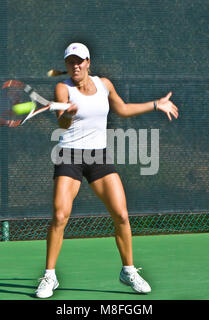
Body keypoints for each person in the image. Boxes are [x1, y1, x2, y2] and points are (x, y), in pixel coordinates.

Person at [34, 43, 179, 298]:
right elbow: (63, 124)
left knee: (121, 215)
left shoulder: (104, 84)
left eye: (80, 61)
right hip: (69, 155)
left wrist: (156, 104)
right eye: (70, 62)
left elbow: (122, 110)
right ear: (67, 65)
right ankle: (49, 276)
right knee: (59, 215)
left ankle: (128, 270)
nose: (75, 66)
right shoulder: (62, 88)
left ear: (88, 62)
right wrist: (68, 113)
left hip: (98, 156)